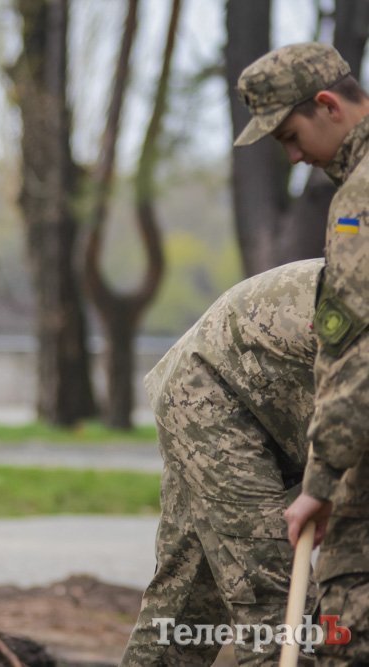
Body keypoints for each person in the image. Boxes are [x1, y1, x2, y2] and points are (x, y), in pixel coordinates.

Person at [235, 42, 369, 665]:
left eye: (291, 135)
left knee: (348, 622)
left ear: (328, 105)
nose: (293, 156)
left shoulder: (360, 198)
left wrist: (321, 479)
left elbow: (360, 350)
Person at [120, 259, 321, 666]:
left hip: (279, 407)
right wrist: (327, 486)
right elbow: (350, 407)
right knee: (275, 597)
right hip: (212, 393)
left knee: (187, 599)